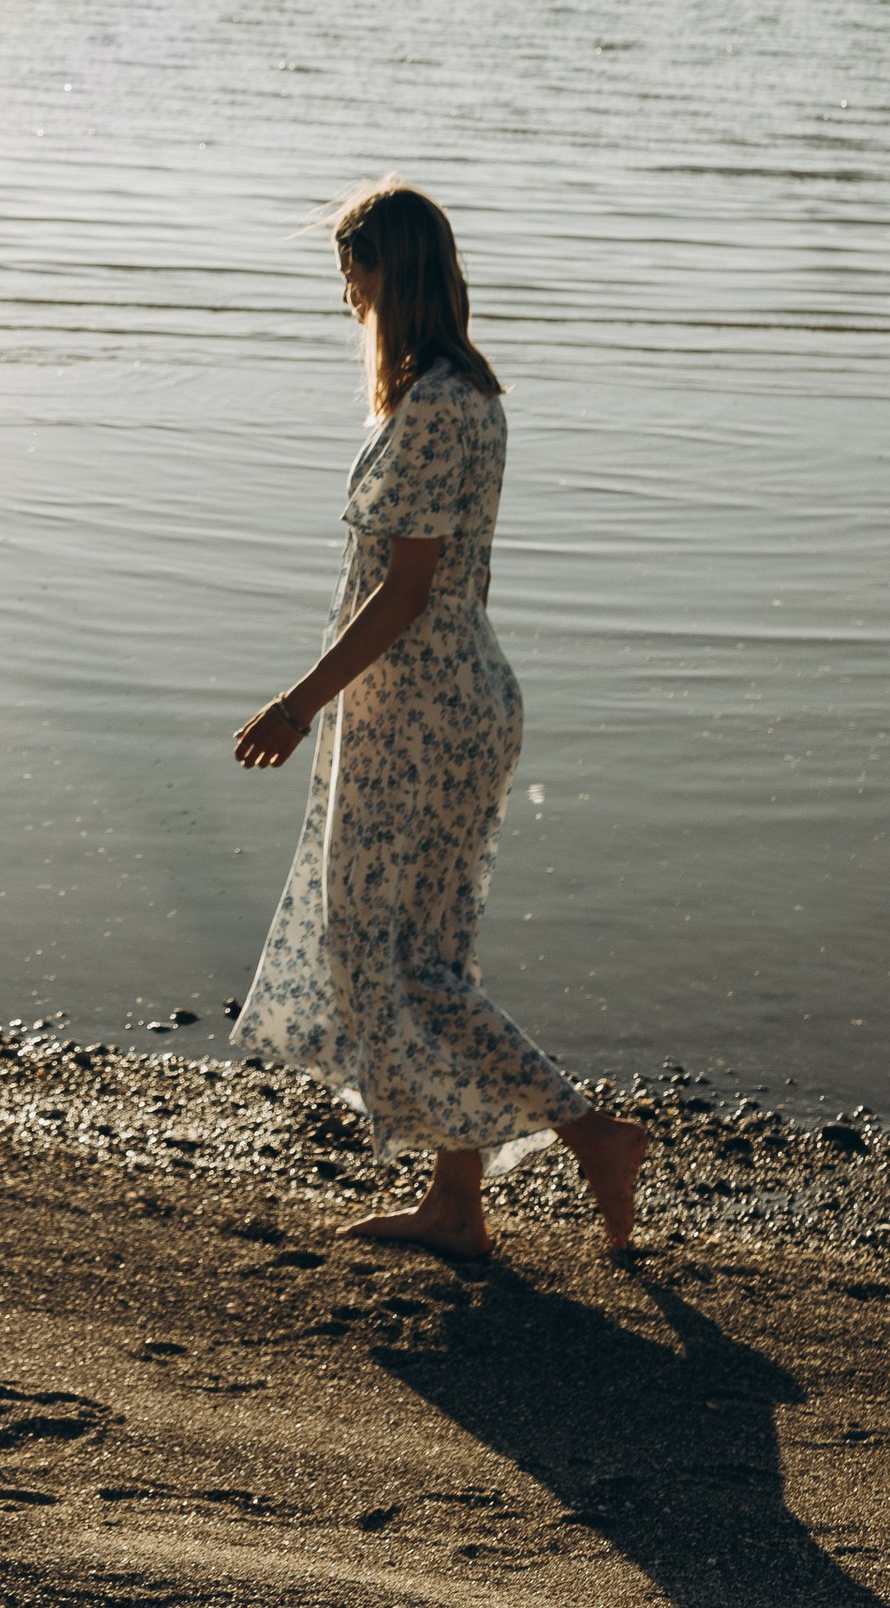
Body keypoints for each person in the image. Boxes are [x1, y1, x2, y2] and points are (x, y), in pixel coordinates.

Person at [230, 179, 650, 1261]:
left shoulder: (434, 408)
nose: (345, 295)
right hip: (452, 697)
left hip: (416, 702)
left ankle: (587, 1130)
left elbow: (405, 589)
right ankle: (458, 1199)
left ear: (392, 276)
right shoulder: (460, 393)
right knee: (430, 952)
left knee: (379, 950)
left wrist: (294, 702)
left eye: (353, 272)